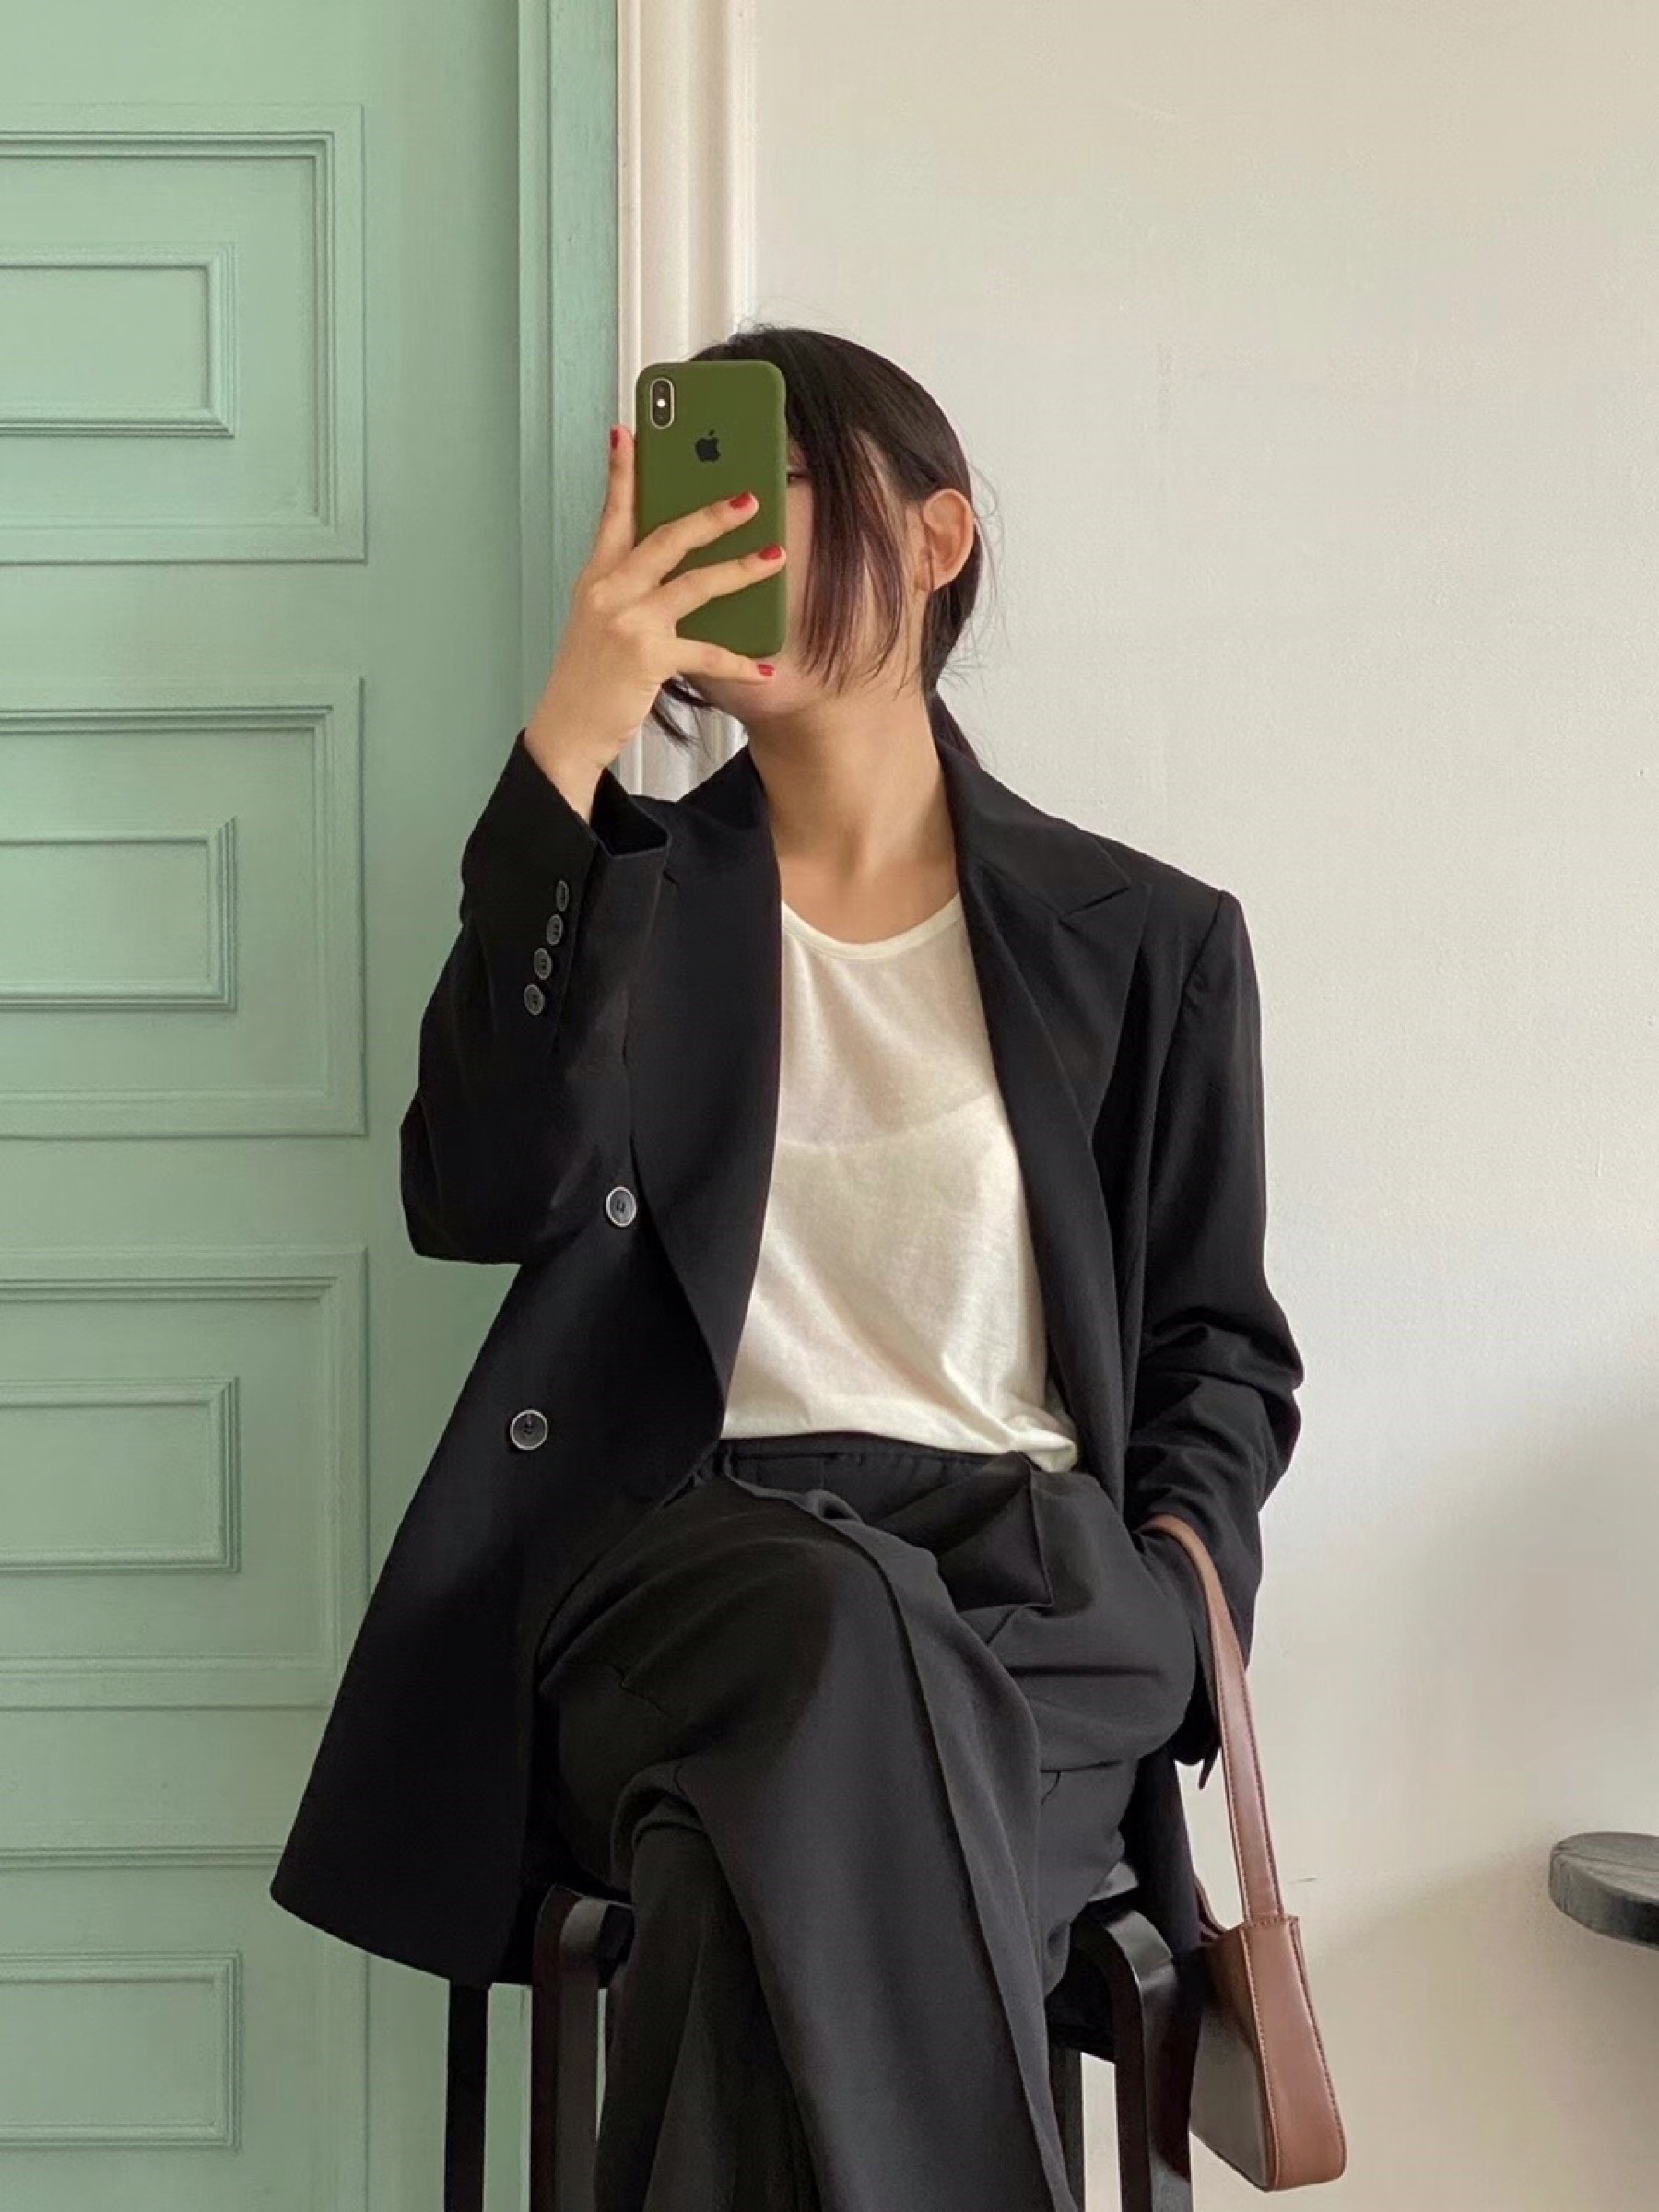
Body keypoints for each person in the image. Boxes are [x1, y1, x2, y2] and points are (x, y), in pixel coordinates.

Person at [269, 322, 1303, 2212]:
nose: (721, 539)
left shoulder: (1147, 940)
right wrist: (570, 743)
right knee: (831, 1622)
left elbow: (1219, 1351)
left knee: (732, 1877)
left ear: (934, 538)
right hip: (701, 1563)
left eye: (777, 493)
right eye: (694, 495)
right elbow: (480, 1189)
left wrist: (1174, 1587)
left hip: (1040, 1590)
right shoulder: (628, 899)